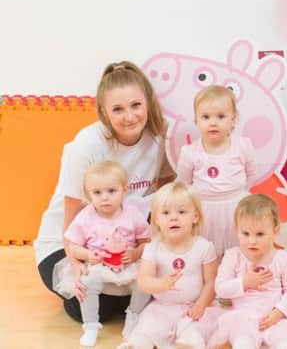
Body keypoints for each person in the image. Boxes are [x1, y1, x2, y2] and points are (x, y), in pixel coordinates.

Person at [34, 61, 174, 323]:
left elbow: (165, 197)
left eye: (136, 105)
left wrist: (153, 249)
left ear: (148, 102)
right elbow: (70, 223)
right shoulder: (85, 147)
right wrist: (76, 265)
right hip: (69, 244)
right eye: (118, 109)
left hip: (125, 241)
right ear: (103, 112)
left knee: (162, 288)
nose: (129, 116)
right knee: (94, 306)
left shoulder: (160, 136)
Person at [207, 194, 287, 349]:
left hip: (273, 317)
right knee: (242, 338)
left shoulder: (282, 258)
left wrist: (279, 312)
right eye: (245, 234)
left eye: (260, 234)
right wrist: (244, 282)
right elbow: (220, 288)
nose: (252, 241)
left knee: (282, 337)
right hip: (243, 317)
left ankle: (285, 344)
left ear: (275, 231)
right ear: (237, 230)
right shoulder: (233, 256)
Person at [56, 161, 150, 346]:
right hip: (99, 265)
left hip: (128, 265)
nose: (104, 198)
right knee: (86, 282)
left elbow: (147, 242)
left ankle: (134, 317)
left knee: (144, 281)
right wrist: (88, 255)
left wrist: (135, 253)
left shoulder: (132, 214)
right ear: (88, 195)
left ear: (124, 190)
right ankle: (90, 325)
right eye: (97, 193)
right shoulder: (86, 217)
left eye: (111, 191)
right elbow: (73, 246)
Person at [118, 181, 218, 349]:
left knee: (194, 331)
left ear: (195, 217)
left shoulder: (204, 247)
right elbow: (144, 280)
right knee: (147, 329)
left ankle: (187, 344)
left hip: (192, 308)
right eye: (165, 213)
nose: (173, 217)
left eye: (181, 212)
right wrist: (163, 284)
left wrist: (200, 305)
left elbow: (211, 282)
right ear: (156, 220)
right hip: (161, 307)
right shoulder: (153, 248)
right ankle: (136, 345)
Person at [176, 85, 256, 257]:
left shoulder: (242, 146)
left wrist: (238, 193)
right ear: (197, 120)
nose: (213, 122)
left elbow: (250, 174)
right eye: (205, 117)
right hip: (204, 209)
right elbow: (183, 183)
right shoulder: (190, 152)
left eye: (220, 116)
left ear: (233, 119)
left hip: (236, 206)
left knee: (238, 250)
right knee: (205, 252)